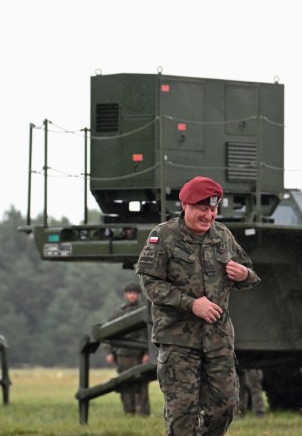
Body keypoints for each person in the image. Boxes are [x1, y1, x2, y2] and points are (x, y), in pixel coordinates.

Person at [136, 175, 260, 436]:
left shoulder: (223, 235)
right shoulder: (163, 236)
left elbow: (250, 273)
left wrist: (243, 275)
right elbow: (150, 283)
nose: (209, 216)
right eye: (203, 209)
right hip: (178, 341)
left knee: (225, 406)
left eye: (213, 209)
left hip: (218, 340)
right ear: (186, 206)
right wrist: (191, 304)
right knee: (182, 414)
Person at [105, 281, 151, 416]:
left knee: (141, 383)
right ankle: (128, 411)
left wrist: (148, 352)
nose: (132, 296)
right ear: (125, 295)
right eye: (129, 293)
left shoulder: (144, 311)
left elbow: (149, 333)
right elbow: (108, 333)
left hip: (140, 354)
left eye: (135, 294)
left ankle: (143, 412)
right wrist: (109, 352)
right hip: (122, 354)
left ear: (138, 295)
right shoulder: (118, 313)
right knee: (125, 383)